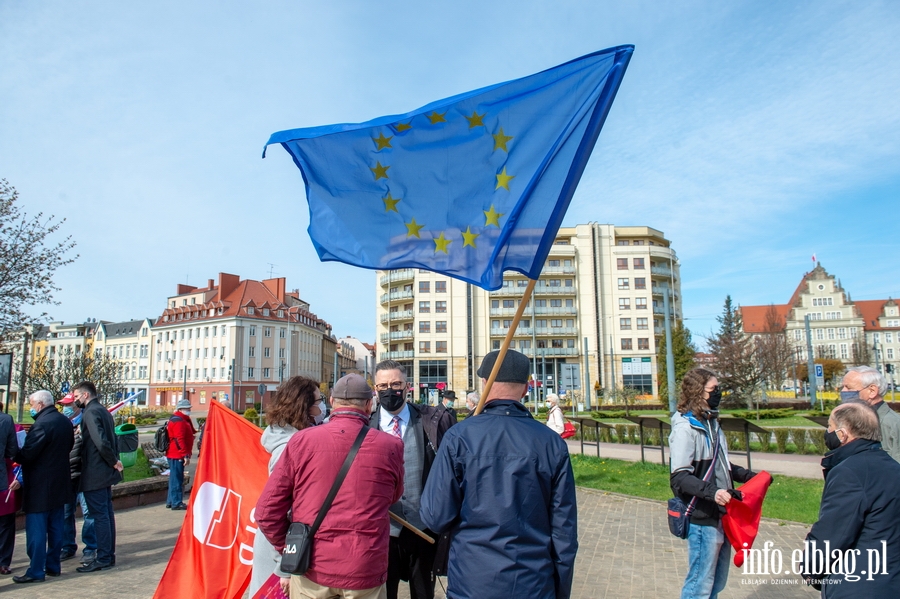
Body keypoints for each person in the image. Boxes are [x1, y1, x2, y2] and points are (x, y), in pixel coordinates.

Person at [420, 350, 578, 599]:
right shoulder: (551, 443)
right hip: (534, 583)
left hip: (472, 582)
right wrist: (560, 589)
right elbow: (564, 533)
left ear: (484, 384)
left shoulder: (459, 438)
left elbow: (435, 515)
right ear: (526, 389)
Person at [256, 373, 404, 599]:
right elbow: (393, 496)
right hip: (364, 567)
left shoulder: (301, 441)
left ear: (333, 402)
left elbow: (266, 512)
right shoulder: (391, 445)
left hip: (313, 568)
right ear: (368, 404)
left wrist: (290, 547)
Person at [369, 360, 455, 599]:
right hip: (382, 532)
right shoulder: (366, 427)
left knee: (423, 593)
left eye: (395, 384)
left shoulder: (430, 422)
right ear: (375, 389)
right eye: (383, 385)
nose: (389, 390)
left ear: (407, 385)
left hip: (423, 528)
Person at [669, 368, 756, 599]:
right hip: (702, 515)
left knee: (715, 584)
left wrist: (748, 476)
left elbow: (718, 464)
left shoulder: (711, 423)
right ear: (698, 393)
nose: (718, 393)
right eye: (713, 389)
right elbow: (679, 476)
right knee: (699, 585)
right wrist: (714, 492)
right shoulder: (685, 428)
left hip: (722, 513)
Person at [802, 402, 900, 595]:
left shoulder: (848, 472)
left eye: (829, 426)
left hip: (859, 584)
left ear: (842, 434)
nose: (827, 432)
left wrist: (811, 570)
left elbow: (833, 534)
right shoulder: (893, 467)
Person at [249, 376, 325, 597]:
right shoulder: (288, 449)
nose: (322, 407)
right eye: (318, 401)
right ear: (304, 406)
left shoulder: (294, 439)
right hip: (282, 552)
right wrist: (285, 563)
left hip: (285, 548)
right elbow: (285, 510)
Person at [13, 390, 75, 583]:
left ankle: (36, 570)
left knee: (37, 531)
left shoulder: (42, 424)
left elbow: (28, 454)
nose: (31, 408)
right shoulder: (65, 422)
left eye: (32, 404)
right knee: (56, 527)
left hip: (40, 486)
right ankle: (53, 566)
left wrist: (15, 453)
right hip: (60, 483)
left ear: (40, 404)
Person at [72, 381, 123, 573]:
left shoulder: (91, 413)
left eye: (77, 396)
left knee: (100, 516)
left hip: (95, 472)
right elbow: (111, 438)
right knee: (106, 515)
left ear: (85, 395)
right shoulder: (103, 411)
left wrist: (112, 461)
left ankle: (103, 557)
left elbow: (101, 441)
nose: (75, 400)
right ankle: (108, 555)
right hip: (104, 472)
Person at [58, 393, 97, 565]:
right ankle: (67, 546)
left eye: (67, 405)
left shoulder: (86, 421)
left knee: (89, 513)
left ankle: (90, 548)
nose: (64, 408)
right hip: (67, 475)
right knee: (66, 513)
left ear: (76, 406)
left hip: (84, 475)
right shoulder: (62, 424)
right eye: (63, 405)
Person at [840, 366, 900, 463]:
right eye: (843, 387)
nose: (843, 391)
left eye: (848, 387)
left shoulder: (892, 424)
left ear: (872, 391)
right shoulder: (855, 421)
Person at [0, 404, 22, 576]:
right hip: (4, 477)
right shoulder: (6, 421)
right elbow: (13, 451)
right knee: (6, 524)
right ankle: (3, 562)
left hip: (6, 478)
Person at [165, 399, 196, 510]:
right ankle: (176, 502)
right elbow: (179, 439)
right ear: (180, 409)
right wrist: (185, 455)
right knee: (177, 479)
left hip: (174, 453)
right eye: (187, 408)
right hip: (177, 454)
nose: (189, 410)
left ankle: (171, 501)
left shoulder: (179, 419)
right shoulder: (179, 421)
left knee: (174, 478)